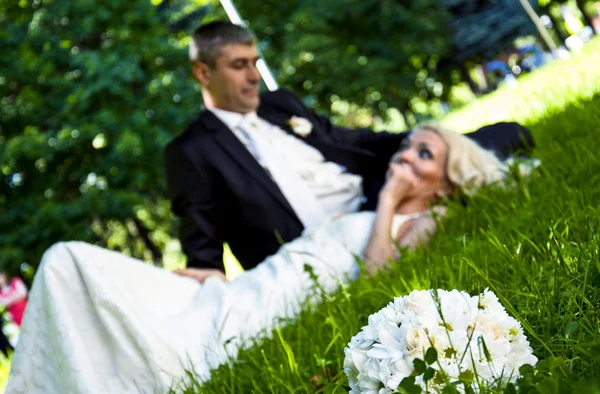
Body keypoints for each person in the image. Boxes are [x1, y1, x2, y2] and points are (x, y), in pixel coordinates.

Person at [5, 125, 515, 394]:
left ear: (446, 183)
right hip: (243, 288)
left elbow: (378, 278)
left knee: (72, 268)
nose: (405, 156)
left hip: (260, 313)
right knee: (67, 262)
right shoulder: (365, 204)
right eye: (407, 145)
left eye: (424, 154)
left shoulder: (420, 223)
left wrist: (388, 202)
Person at [164, 21, 534, 284]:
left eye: (255, 63)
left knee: (502, 135)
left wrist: (424, 144)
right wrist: (207, 275)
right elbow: (202, 234)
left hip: (372, 193)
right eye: (239, 65)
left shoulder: (281, 104)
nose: (254, 76)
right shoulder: (192, 151)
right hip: (316, 247)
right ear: (202, 72)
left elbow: (353, 142)